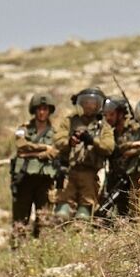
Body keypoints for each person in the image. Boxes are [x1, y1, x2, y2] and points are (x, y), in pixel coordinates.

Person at [53, 87, 115, 220]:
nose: (89, 106)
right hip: (69, 172)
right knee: (61, 213)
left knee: (84, 214)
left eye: (93, 103)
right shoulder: (69, 121)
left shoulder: (103, 127)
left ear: (99, 105)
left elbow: (109, 147)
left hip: (90, 173)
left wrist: (93, 141)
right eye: (86, 102)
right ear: (81, 104)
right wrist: (70, 142)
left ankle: (82, 237)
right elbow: (58, 140)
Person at [10, 93, 60, 245]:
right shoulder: (23, 129)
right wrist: (44, 149)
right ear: (34, 110)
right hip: (24, 178)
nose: (42, 112)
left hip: (45, 179)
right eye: (39, 109)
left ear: (49, 110)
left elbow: (56, 151)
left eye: (45, 109)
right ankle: (18, 252)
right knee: (20, 220)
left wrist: (30, 153)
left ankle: (41, 251)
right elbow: (21, 146)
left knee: (44, 219)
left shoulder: (56, 133)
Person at [100, 96, 138, 218]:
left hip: (132, 177)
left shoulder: (134, 129)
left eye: (111, 114)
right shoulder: (110, 132)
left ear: (121, 113)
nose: (108, 118)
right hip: (116, 177)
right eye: (106, 115)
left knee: (135, 212)